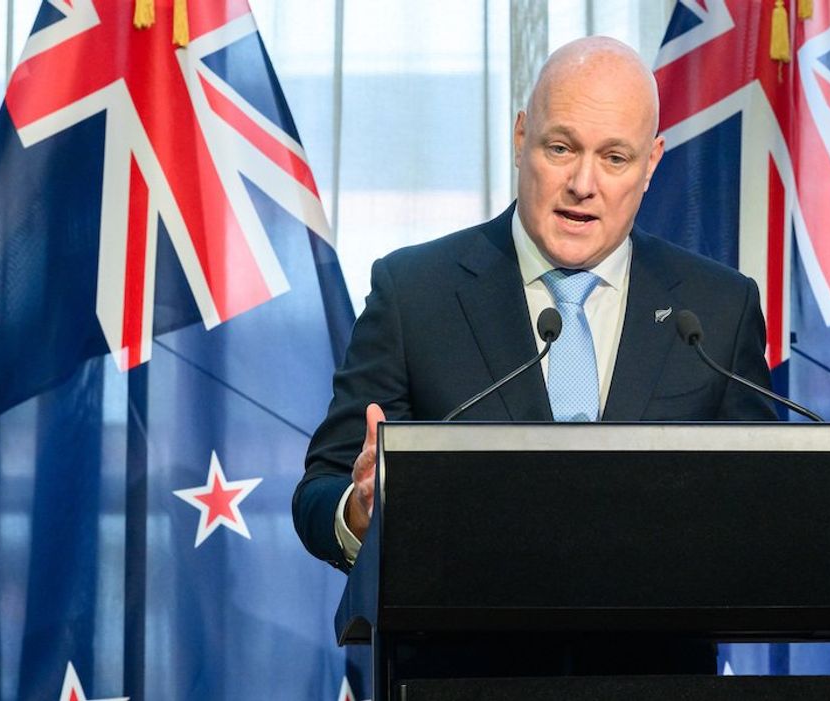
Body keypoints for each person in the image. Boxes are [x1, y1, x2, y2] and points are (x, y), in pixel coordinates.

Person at [292, 35, 776, 676]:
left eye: (615, 158)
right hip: (457, 684)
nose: (583, 184)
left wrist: (829, 491)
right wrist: (360, 511)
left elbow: (761, 504)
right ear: (521, 138)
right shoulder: (415, 293)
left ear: (651, 163)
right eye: (561, 148)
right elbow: (320, 490)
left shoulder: (717, 309)